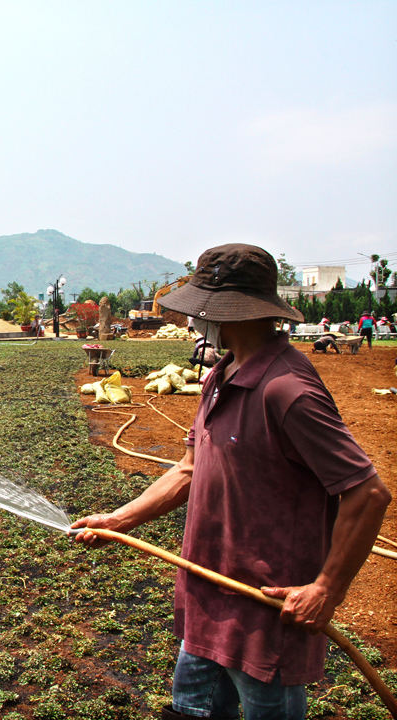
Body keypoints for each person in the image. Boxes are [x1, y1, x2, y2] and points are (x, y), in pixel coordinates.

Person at [71, 244, 391, 720]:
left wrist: (326, 588)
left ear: (232, 314)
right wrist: (117, 520)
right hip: (208, 591)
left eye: (204, 311)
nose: (195, 321)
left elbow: (367, 493)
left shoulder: (287, 389)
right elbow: (188, 469)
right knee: (192, 710)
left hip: (264, 608)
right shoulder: (220, 375)